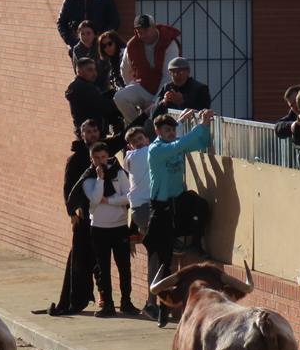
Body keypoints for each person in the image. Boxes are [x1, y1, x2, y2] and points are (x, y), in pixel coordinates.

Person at [47, 119, 127, 316]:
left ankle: (104, 298)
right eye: (87, 132)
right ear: (81, 135)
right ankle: (74, 299)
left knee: (101, 259)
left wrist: (150, 112)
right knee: (80, 257)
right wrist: (72, 213)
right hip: (84, 217)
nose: (91, 135)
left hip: (105, 219)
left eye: (94, 131)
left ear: (99, 132)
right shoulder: (75, 160)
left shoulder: (106, 152)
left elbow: (125, 136)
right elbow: (68, 189)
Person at [146, 109, 215, 326]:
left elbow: (200, 143)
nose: (171, 134)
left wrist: (204, 125)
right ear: (158, 131)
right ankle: (162, 309)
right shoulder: (156, 150)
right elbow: (179, 145)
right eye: (167, 130)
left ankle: (193, 242)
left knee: (200, 206)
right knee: (164, 263)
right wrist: (196, 126)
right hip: (162, 209)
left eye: (173, 130)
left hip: (179, 202)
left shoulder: (174, 145)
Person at [80, 141, 138, 317]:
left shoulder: (119, 173)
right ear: (91, 159)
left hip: (119, 226)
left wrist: (110, 201)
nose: (100, 161)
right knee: (103, 268)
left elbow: (128, 197)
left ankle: (126, 302)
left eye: (103, 157)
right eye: (96, 158)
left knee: (124, 266)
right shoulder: (88, 178)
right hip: (98, 228)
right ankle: (108, 305)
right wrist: (100, 179)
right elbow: (95, 199)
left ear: (108, 156)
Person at [114, 15, 181, 124]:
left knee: (157, 113)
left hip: (166, 91)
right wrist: (131, 84)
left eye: (146, 30)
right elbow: (125, 70)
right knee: (120, 97)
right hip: (144, 86)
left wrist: (155, 102)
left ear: (154, 27)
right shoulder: (132, 45)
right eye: (140, 31)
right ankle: (136, 126)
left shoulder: (169, 43)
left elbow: (168, 77)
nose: (144, 35)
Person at [123, 125, 158, 317]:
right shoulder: (140, 154)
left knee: (156, 254)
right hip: (146, 210)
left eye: (140, 138)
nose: (138, 142)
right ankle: (152, 302)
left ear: (146, 138)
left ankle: (152, 302)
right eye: (134, 141)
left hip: (142, 210)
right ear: (130, 146)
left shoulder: (129, 158)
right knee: (157, 254)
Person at [65, 57, 120, 133]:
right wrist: (121, 101)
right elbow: (103, 105)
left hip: (85, 131)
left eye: (95, 70)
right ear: (79, 72)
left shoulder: (77, 86)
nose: (94, 73)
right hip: (92, 132)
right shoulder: (85, 87)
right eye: (90, 70)